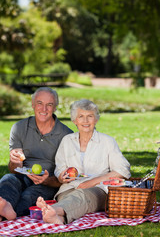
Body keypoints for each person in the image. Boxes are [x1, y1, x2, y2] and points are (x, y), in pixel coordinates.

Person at [36, 99, 131, 225]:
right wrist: (62, 177)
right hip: (70, 187)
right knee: (70, 199)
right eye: (81, 116)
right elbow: (60, 168)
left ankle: (53, 209)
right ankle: (59, 218)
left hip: (99, 190)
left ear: (96, 119)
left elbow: (122, 170)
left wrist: (90, 183)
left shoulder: (107, 141)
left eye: (90, 116)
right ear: (75, 121)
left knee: (82, 196)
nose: (85, 121)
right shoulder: (67, 141)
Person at [0, 87, 73, 221]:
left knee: (29, 195)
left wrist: (47, 181)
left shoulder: (66, 135)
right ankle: (4, 210)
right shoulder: (19, 127)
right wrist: (16, 162)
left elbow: (66, 179)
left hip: (49, 182)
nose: (44, 109)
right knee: (7, 180)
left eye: (49, 105)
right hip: (23, 176)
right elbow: (13, 169)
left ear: (55, 107)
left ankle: (7, 214)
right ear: (33, 105)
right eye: (40, 103)